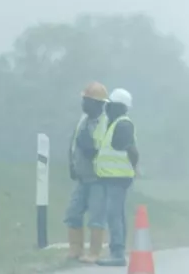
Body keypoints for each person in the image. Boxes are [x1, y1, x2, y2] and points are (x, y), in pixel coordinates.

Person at [95, 88, 139, 267]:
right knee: (116, 213)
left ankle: (118, 252)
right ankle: (118, 250)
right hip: (112, 177)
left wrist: (135, 168)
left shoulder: (122, 124)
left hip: (118, 177)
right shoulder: (114, 123)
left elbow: (132, 150)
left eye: (111, 104)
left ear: (119, 106)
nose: (107, 108)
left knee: (114, 214)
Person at [65, 81, 108, 262]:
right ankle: (76, 250)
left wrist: (89, 146)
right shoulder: (83, 119)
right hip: (82, 177)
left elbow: (102, 150)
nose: (84, 103)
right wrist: (72, 165)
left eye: (88, 100)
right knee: (73, 213)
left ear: (98, 104)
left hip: (99, 178)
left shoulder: (105, 123)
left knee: (96, 217)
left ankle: (94, 253)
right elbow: (74, 142)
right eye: (84, 99)